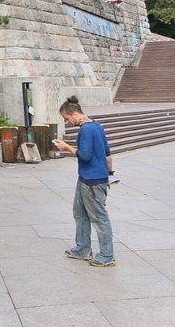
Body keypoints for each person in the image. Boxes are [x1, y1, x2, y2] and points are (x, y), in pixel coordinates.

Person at [53, 95, 116, 267]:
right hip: (88, 179)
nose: (67, 122)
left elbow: (85, 156)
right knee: (80, 212)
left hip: (92, 182)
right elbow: (108, 153)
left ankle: (107, 256)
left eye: (66, 119)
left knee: (99, 218)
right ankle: (82, 249)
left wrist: (66, 147)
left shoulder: (86, 130)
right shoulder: (97, 126)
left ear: (73, 114)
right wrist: (109, 173)